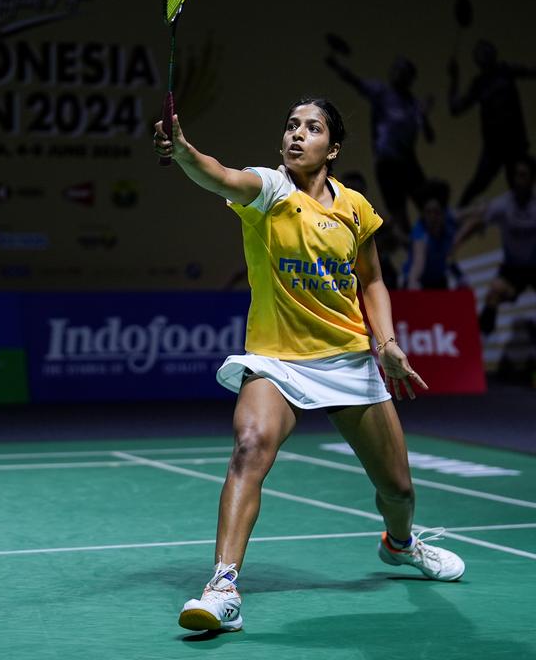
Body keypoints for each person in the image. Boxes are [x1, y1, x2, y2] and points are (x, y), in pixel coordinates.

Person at [152, 98, 465, 634]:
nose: (298, 135)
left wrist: (386, 342)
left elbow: (371, 280)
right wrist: (183, 153)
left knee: (399, 491)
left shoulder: (356, 208)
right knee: (250, 446)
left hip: (346, 359)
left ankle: (400, 543)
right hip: (277, 360)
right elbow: (221, 176)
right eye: (291, 125)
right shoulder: (269, 190)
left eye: (312, 128)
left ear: (333, 148)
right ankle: (223, 586)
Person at [325, 52, 434, 233]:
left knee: (428, 205)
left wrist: (424, 116)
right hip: (387, 163)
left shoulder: (413, 104)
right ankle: (413, 250)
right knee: (400, 215)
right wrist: (337, 65)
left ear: (410, 78)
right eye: (396, 68)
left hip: (408, 162)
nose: (398, 73)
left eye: (404, 70)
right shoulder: (382, 93)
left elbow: (430, 137)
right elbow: (355, 81)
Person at [449, 40, 536, 207]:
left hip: (515, 144)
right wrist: (454, 78)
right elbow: (455, 108)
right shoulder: (479, 84)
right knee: (478, 185)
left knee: (522, 189)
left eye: (486, 52)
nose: (483, 57)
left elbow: (531, 71)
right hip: (494, 148)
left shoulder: (506, 71)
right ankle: (455, 218)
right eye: (480, 54)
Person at [456, 155, 536, 335]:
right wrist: (456, 243)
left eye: (524, 175)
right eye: (516, 175)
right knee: (493, 293)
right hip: (513, 269)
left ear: (532, 179)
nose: (519, 180)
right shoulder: (504, 204)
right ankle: (480, 339)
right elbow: (477, 222)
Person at [402, 179, 465, 290]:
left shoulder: (449, 223)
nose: (432, 217)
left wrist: (460, 276)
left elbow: (474, 215)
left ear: (443, 212)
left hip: (439, 281)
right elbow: (418, 262)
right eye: (428, 212)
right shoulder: (420, 233)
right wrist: (413, 280)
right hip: (418, 282)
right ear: (423, 214)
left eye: (436, 212)